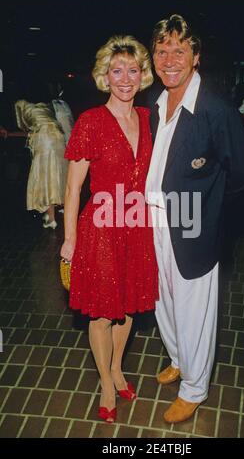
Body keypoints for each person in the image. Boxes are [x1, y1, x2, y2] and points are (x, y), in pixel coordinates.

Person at [145, 14, 244, 424]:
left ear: (196, 56)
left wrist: (209, 213)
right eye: (162, 50)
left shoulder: (213, 109)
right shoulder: (156, 105)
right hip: (154, 220)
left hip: (194, 226)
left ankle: (194, 388)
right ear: (154, 57)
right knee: (163, 301)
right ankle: (178, 358)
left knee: (194, 309)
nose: (170, 58)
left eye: (179, 49)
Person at [60, 35, 158, 423]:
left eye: (132, 70)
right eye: (116, 71)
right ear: (104, 76)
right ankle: (104, 381)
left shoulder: (148, 118)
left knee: (129, 306)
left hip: (136, 226)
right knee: (101, 314)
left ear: (143, 75)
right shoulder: (90, 122)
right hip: (100, 229)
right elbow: (72, 187)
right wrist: (69, 239)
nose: (125, 78)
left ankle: (118, 367)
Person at [15, 99, 68, 228]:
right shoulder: (49, 104)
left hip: (44, 138)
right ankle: (66, 209)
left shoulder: (20, 104)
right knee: (59, 173)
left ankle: (51, 219)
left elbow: (23, 126)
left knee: (45, 178)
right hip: (58, 136)